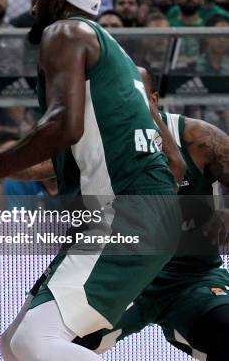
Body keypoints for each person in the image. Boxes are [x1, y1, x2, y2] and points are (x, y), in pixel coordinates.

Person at [0, 0, 182, 361]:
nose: (32, 5)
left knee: (33, 343)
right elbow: (173, 162)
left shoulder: (65, 32)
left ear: (58, 1)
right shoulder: (120, 56)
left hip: (126, 214)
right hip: (133, 215)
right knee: (13, 345)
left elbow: (63, 125)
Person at [75, 68, 229, 361]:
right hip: (122, 279)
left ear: (153, 98)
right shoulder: (97, 139)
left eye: (133, 93)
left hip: (190, 278)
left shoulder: (197, 137)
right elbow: (42, 167)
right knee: (51, 341)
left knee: (224, 328)